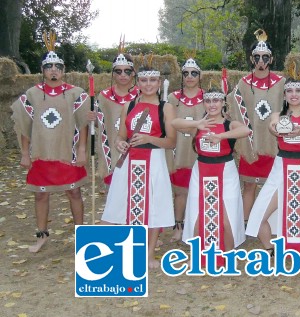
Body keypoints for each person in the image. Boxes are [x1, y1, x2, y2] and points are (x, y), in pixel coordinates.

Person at [11, 31, 89, 253]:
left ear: (63, 70)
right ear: (42, 70)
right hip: (42, 153)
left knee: (74, 192)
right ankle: (42, 235)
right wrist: (25, 153)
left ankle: (80, 235)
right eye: (49, 66)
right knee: (41, 194)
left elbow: (83, 123)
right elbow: (25, 126)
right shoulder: (31, 95)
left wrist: (82, 150)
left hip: (68, 152)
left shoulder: (76, 94)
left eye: (57, 66)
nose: (53, 70)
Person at [246, 64, 300, 254]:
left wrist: (297, 130)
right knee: (258, 215)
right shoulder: (277, 115)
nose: (294, 94)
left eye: (298, 90)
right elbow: (272, 126)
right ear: (285, 94)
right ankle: (271, 249)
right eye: (290, 91)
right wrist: (277, 129)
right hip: (282, 168)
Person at [101, 55, 176, 268]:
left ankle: (149, 253)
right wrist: (119, 144)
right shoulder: (129, 105)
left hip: (154, 161)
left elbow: (171, 142)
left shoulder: (166, 108)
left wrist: (149, 139)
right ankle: (117, 249)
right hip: (129, 162)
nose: (148, 85)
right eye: (144, 81)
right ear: (138, 82)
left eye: (153, 81)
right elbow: (120, 135)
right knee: (119, 202)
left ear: (159, 83)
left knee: (154, 206)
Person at [173, 88, 248, 264]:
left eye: (216, 101)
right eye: (208, 101)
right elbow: (174, 123)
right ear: (204, 103)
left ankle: (229, 256)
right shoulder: (200, 124)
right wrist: (196, 124)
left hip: (225, 171)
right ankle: (197, 256)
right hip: (202, 170)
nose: (212, 105)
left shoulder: (230, 124)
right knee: (199, 214)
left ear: (223, 103)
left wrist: (221, 136)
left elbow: (245, 130)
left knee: (226, 216)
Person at [226, 29, 285, 224]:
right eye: (257, 57)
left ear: (271, 58)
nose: (261, 61)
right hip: (251, 143)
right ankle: (244, 224)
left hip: (273, 143)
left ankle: (268, 222)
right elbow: (231, 106)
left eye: (265, 57)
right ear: (252, 59)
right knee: (249, 186)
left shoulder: (281, 83)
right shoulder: (243, 84)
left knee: (274, 186)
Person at [90, 37, 139, 188]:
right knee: (112, 196)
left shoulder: (142, 95)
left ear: (133, 73)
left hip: (137, 150)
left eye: (127, 71)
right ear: (113, 74)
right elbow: (102, 125)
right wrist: (94, 119)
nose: (123, 75)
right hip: (112, 147)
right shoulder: (104, 96)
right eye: (118, 71)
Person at [168, 55, 204, 242]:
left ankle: (199, 226)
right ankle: (179, 226)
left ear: (200, 75)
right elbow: (168, 122)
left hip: (201, 151)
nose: (190, 76)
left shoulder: (208, 97)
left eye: (194, 73)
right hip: (179, 150)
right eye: (186, 73)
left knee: (200, 191)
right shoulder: (173, 98)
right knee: (180, 191)